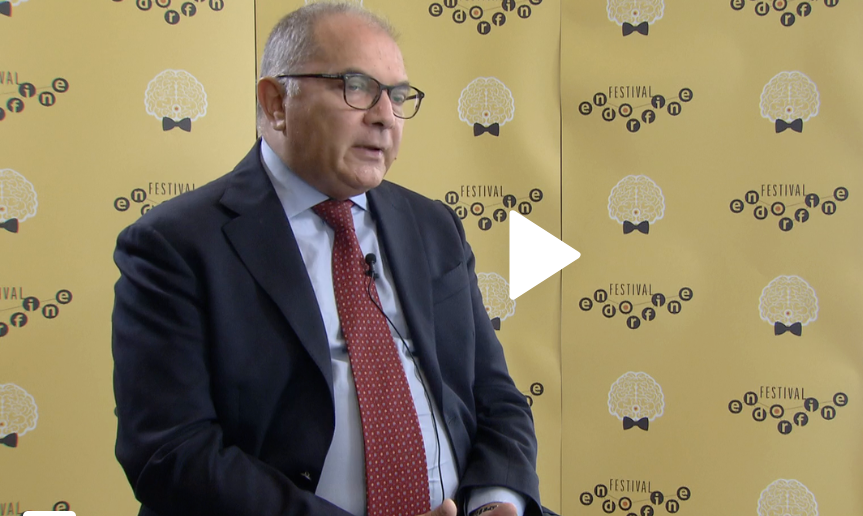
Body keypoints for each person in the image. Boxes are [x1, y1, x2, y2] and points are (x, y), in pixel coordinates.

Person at [111, 3, 541, 516]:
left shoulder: (434, 226)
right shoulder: (174, 245)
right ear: (276, 102)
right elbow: (172, 454)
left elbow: (494, 396)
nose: (385, 117)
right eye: (356, 87)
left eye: (397, 95)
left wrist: (496, 500)